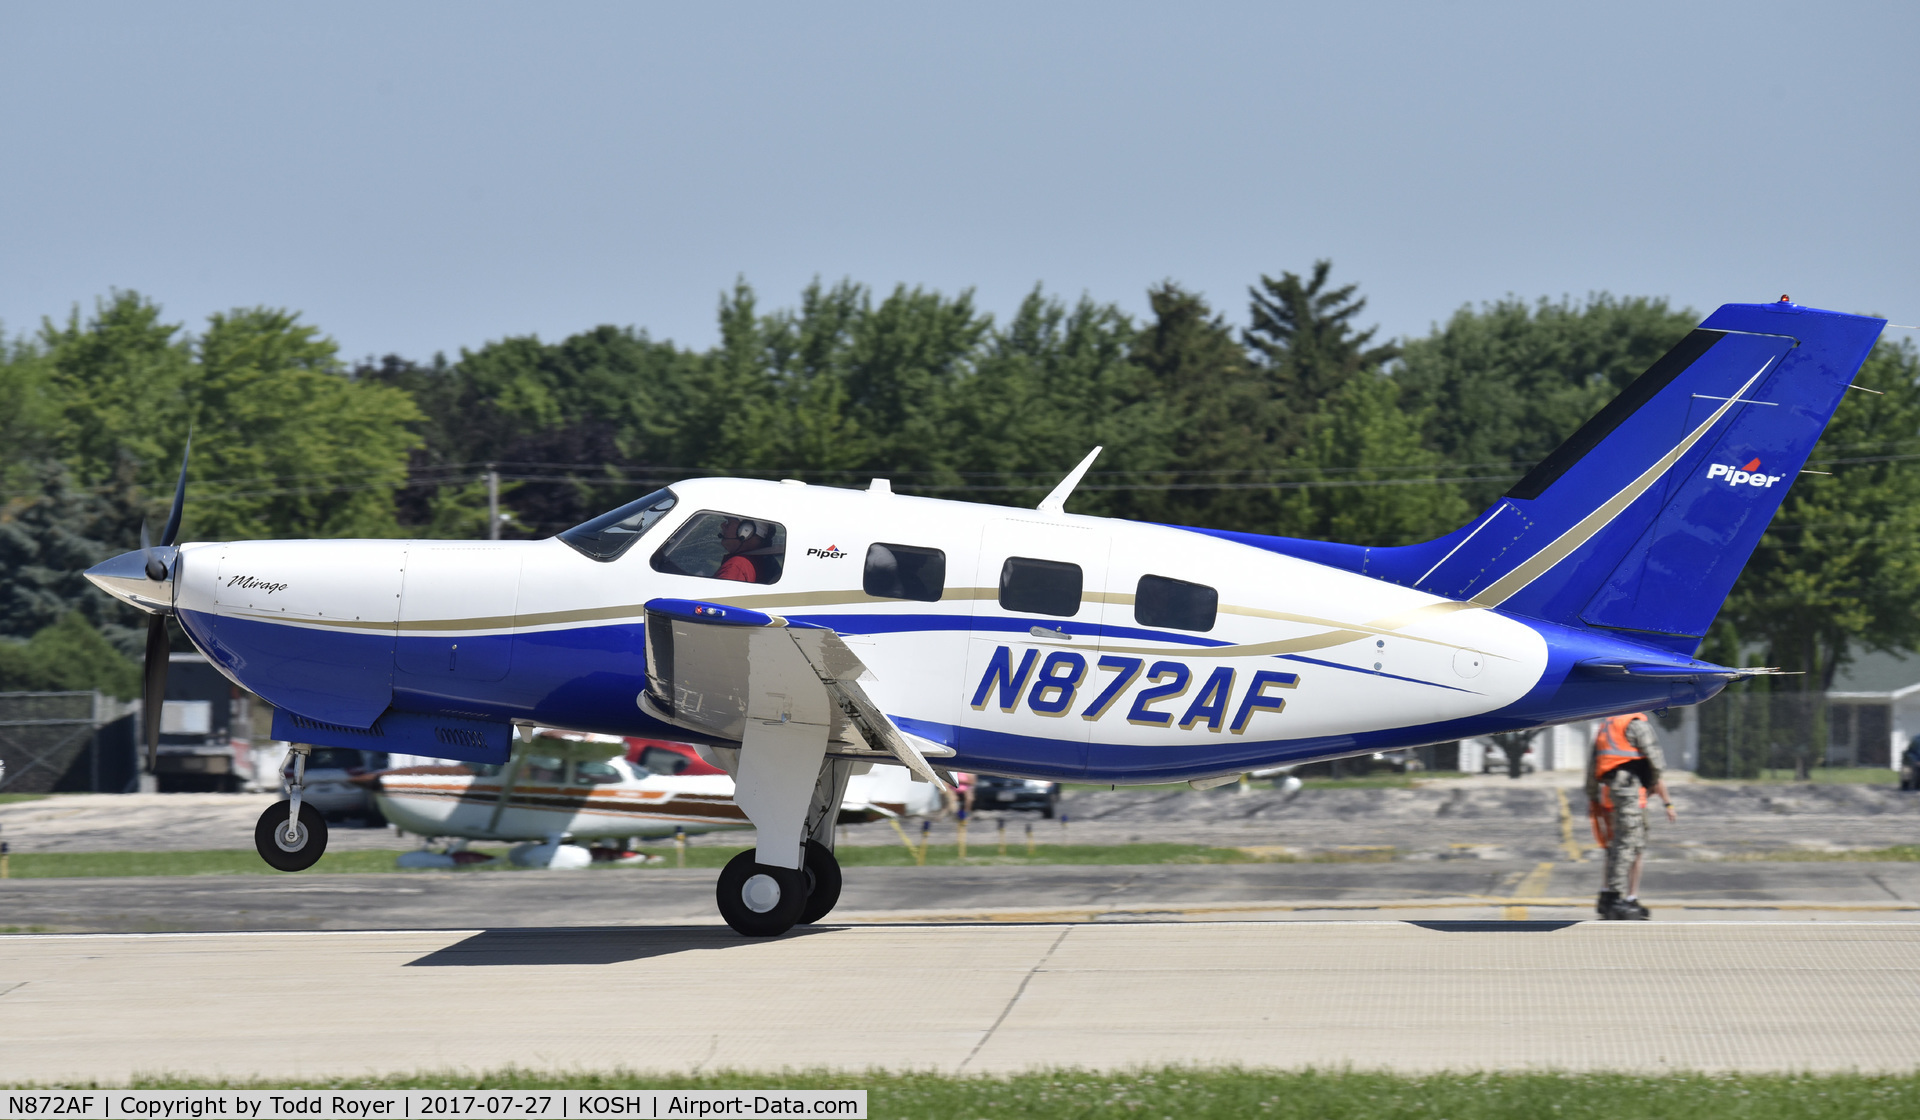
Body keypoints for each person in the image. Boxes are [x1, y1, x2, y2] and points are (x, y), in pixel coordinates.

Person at [1585, 711, 1676, 920]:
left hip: (1611, 789)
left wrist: (1592, 796)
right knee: (1626, 843)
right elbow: (1656, 759)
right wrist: (1652, 783)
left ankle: (1610, 896)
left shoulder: (1606, 725)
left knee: (1622, 844)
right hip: (1628, 788)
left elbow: (1593, 765)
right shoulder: (1635, 724)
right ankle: (1615, 898)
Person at [715, 518, 766, 583]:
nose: (722, 525)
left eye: (729, 522)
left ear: (746, 531)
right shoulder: (759, 562)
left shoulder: (735, 567)